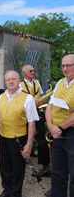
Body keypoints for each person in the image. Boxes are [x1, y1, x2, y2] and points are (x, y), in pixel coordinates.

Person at [0, 70, 38, 197]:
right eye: (8, 79)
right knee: (4, 166)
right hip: (2, 137)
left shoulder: (28, 98)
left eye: (14, 79)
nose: (11, 81)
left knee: (17, 168)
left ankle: (15, 194)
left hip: (18, 139)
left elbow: (31, 123)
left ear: (19, 81)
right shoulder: (1, 97)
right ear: (5, 82)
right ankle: (6, 191)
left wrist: (29, 144)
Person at [45, 54, 74, 197]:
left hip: (71, 133)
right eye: (63, 65)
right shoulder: (61, 82)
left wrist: (60, 127)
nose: (65, 68)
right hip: (57, 131)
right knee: (57, 172)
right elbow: (50, 105)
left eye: (69, 65)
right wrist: (50, 126)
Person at [20, 65, 50, 177]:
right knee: (24, 137)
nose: (33, 72)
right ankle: (23, 162)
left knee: (42, 138)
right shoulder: (20, 84)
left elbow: (41, 96)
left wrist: (40, 102)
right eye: (30, 70)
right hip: (25, 114)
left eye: (33, 70)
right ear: (24, 73)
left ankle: (45, 165)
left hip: (37, 112)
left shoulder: (37, 82)